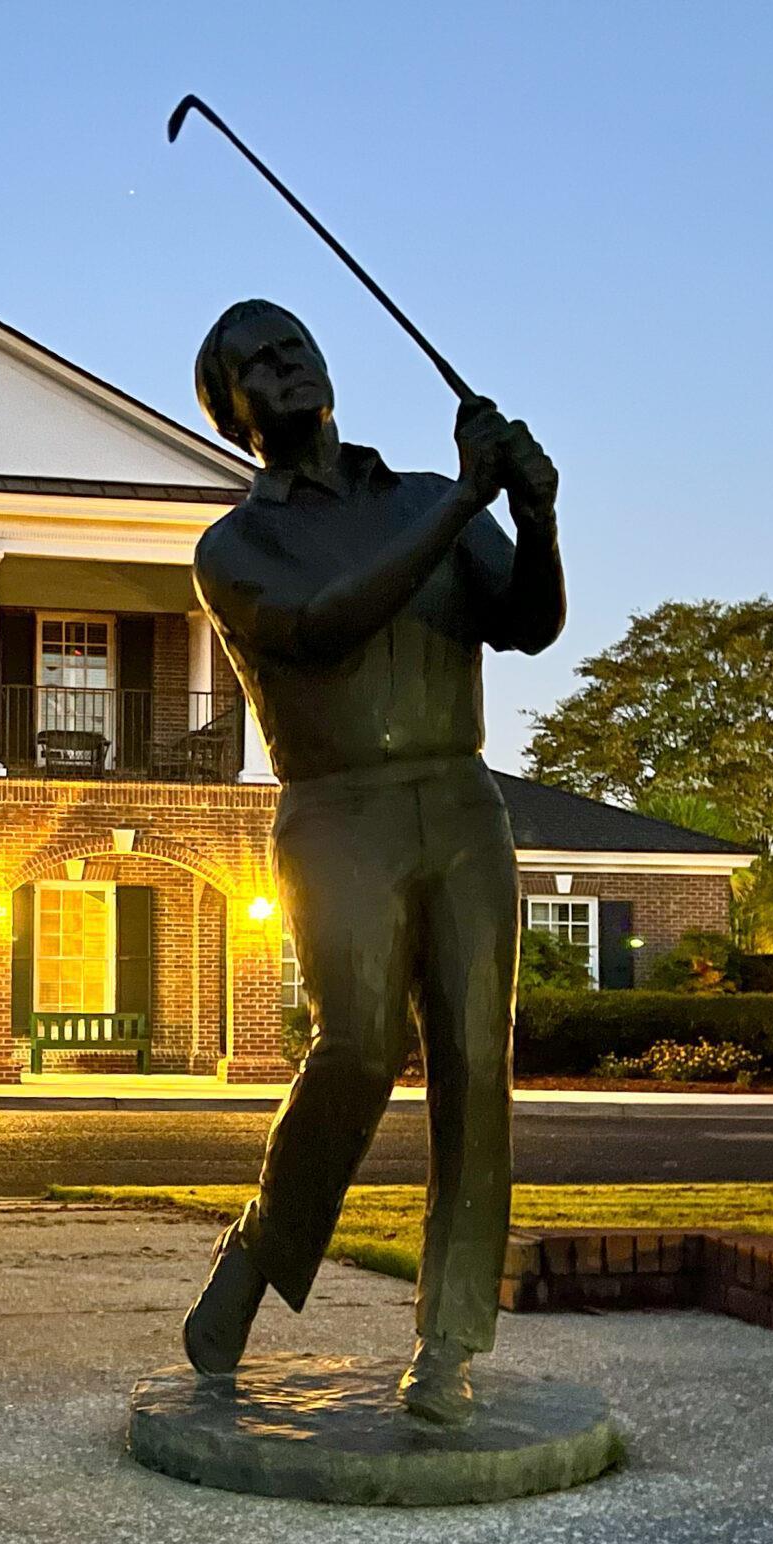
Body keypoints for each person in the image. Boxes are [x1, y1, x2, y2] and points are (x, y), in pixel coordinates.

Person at [184, 299, 564, 1424]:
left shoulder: (410, 498)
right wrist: (465, 498)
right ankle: (257, 1257)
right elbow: (330, 622)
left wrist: (536, 520)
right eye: (257, 359)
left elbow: (529, 624)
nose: (286, 363)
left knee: (471, 1065)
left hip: (458, 799)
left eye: (295, 343)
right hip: (335, 808)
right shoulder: (236, 545)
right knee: (357, 1050)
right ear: (231, 406)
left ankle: (447, 1341)